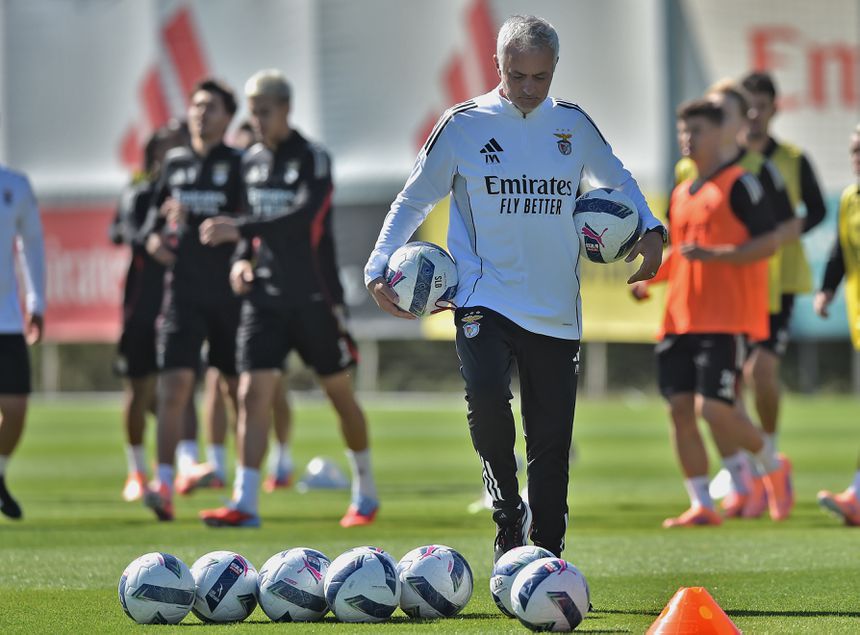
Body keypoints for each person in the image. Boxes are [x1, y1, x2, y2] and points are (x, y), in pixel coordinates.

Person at [365, 15, 666, 560]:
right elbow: (412, 199)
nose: (529, 88)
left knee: (550, 443)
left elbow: (618, 179)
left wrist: (651, 230)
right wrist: (378, 263)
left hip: (555, 308)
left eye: (540, 77)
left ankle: (548, 553)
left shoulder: (572, 126)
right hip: (483, 295)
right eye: (517, 74)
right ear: (497, 64)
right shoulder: (463, 124)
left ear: (555, 71)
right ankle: (507, 515)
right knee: (485, 399)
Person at [198, 69, 377, 528]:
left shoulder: (313, 159)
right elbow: (246, 219)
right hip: (264, 299)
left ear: (285, 110)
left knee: (339, 394)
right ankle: (246, 502)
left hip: (314, 297)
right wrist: (241, 258)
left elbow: (302, 221)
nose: (256, 121)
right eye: (252, 112)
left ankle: (365, 491)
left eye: (263, 112)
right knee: (250, 392)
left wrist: (240, 231)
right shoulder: (250, 161)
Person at [639, 99, 792, 527]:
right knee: (680, 411)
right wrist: (649, 280)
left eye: (697, 131)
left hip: (724, 320)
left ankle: (772, 466)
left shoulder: (742, 184)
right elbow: (682, 254)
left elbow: (769, 243)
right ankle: (702, 501)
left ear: (723, 132)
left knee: (716, 410)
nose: (688, 139)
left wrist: (716, 254)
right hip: (678, 319)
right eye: (684, 131)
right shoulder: (681, 191)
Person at [141, 78, 247, 521]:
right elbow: (150, 214)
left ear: (228, 117)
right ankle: (163, 483)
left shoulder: (241, 164)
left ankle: (243, 490)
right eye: (195, 105)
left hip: (228, 296)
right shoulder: (176, 162)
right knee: (174, 388)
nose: (200, 113)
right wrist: (151, 238)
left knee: (235, 391)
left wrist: (227, 230)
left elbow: (251, 220)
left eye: (211, 107)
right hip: (182, 294)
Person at [740, 71, 827, 461]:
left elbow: (819, 210)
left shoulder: (793, 158)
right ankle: (742, 462)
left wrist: (788, 232)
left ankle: (768, 450)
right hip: (737, 280)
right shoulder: (727, 159)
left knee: (760, 371)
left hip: (780, 282)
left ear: (775, 109)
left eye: (762, 105)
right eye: (749, 105)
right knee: (732, 379)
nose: (755, 113)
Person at [813, 124, 860, 525]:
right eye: (854, 149)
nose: (856, 156)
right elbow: (840, 250)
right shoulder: (850, 199)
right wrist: (827, 289)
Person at [0, 154, 45, 520]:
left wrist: (36, 301)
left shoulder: (15, 185)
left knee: (15, 409)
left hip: (7, 320)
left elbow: (31, 245)